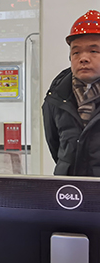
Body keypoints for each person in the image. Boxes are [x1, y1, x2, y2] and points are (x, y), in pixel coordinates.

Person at [43, 10, 100, 176]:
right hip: (68, 188)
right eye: (76, 52)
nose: (83, 58)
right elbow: (55, 145)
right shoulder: (56, 96)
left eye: (93, 51)